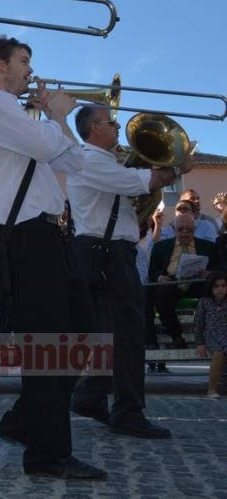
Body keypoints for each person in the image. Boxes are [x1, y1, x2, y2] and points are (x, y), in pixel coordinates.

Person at [0, 36, 106, 480]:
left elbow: (75, 163)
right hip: (26, 238)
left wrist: (56, 120)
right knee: (50, 347)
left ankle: (26, 420)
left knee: (82, 335)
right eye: (24, 61)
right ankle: (47, 455)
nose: (31, 69)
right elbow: (52, 149)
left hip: (49, 235)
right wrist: (59, 115)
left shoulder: (16, 114)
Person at [66, 103, 189, 438]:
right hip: (104, 253)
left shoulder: (103, 160)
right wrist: (179, 169)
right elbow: (140, 182)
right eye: (112, 122)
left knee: (113, 333)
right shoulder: (89, 159)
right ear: (94, 128)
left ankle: (92, 395)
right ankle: (127, 412)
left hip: (106, 252)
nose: (118, 127)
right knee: (130, 335)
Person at [146, 213, 218, 348]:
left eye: (189, 229)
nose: (185, 232)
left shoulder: (207, 246)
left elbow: (217, 267)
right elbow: (153, 270)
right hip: (172, 281)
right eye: (181, 229)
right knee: (161, 294)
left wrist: (209, 273)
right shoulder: (161, 246)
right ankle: (176, 336)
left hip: (198, 281)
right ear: (174, 229)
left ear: (194, 230)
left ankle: (211, 336)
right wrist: (159, 277)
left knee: (214, 292)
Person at [195, 271, 227, 398]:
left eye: (223, 286)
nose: (220, 289)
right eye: (216, 286)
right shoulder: (204, 302)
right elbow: (198, 325)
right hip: (212, 335)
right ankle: (212, 389)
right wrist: (200, 343)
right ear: (211, 288)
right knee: (219, 353)